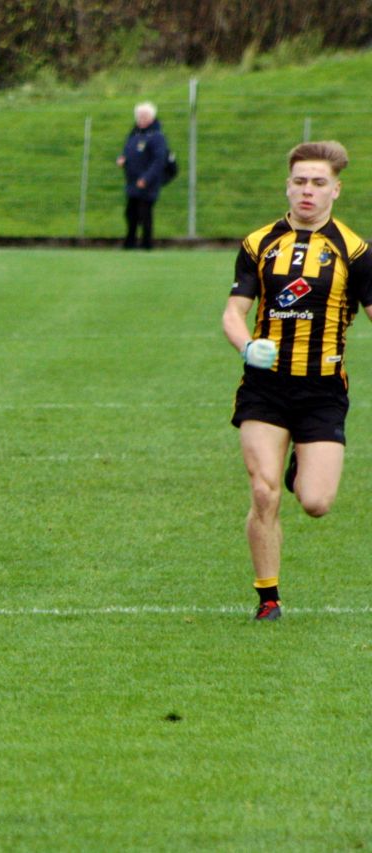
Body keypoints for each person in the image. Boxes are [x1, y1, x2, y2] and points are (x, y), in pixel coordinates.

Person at [221, 140, 372, 621]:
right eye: (300, 182)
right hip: (265, 388)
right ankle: (269, 598)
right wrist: (247, 346)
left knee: (315, 502)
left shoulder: (355, 251)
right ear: (288, 186)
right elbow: (232, 312)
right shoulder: (258, 244)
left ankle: (299, 469)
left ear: (336, 191)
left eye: (318, 183)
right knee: (262, 491)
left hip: (322, 391)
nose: (308, 191)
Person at [116, 101, 168, 250]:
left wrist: (146, 178)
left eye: (144, 116)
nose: (141, 119)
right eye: (139, 116)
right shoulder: (134, 134)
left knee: (144, 213)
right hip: (132, 181)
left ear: (151, 117)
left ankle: (146, 244)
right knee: (130, 213)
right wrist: (122, 159)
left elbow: (159, 161)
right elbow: (127, 151)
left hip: (147, 183)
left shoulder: (157, 136)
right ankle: (130, 242)